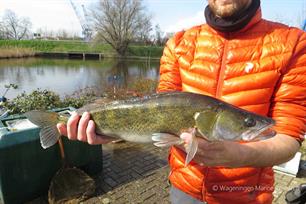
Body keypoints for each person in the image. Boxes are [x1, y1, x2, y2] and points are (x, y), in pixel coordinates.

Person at [57, 0, 306, 203]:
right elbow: (155, 114)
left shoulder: (294, 43)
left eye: (247, 122)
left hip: (247, 196)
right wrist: (112, 131)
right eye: (247, 122)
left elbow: (288, 137)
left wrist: (239, 155)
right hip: (183, 190)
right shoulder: (178, 44)